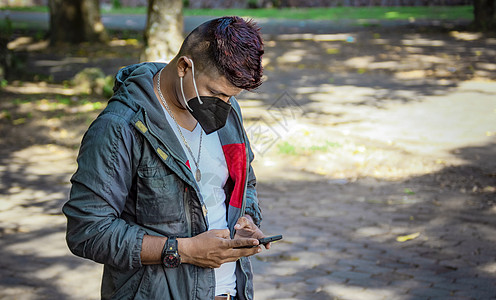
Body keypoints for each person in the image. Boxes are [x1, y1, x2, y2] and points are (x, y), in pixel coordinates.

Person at [62, 16, 268, 300]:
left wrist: (245, 219)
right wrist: (183, 251)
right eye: (215, 93)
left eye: (231, 97)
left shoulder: (228, 115)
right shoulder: (120, 126)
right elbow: (88, 231)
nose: (224, 107)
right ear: (184, 66)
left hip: (233, 292)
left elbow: (246, 184)